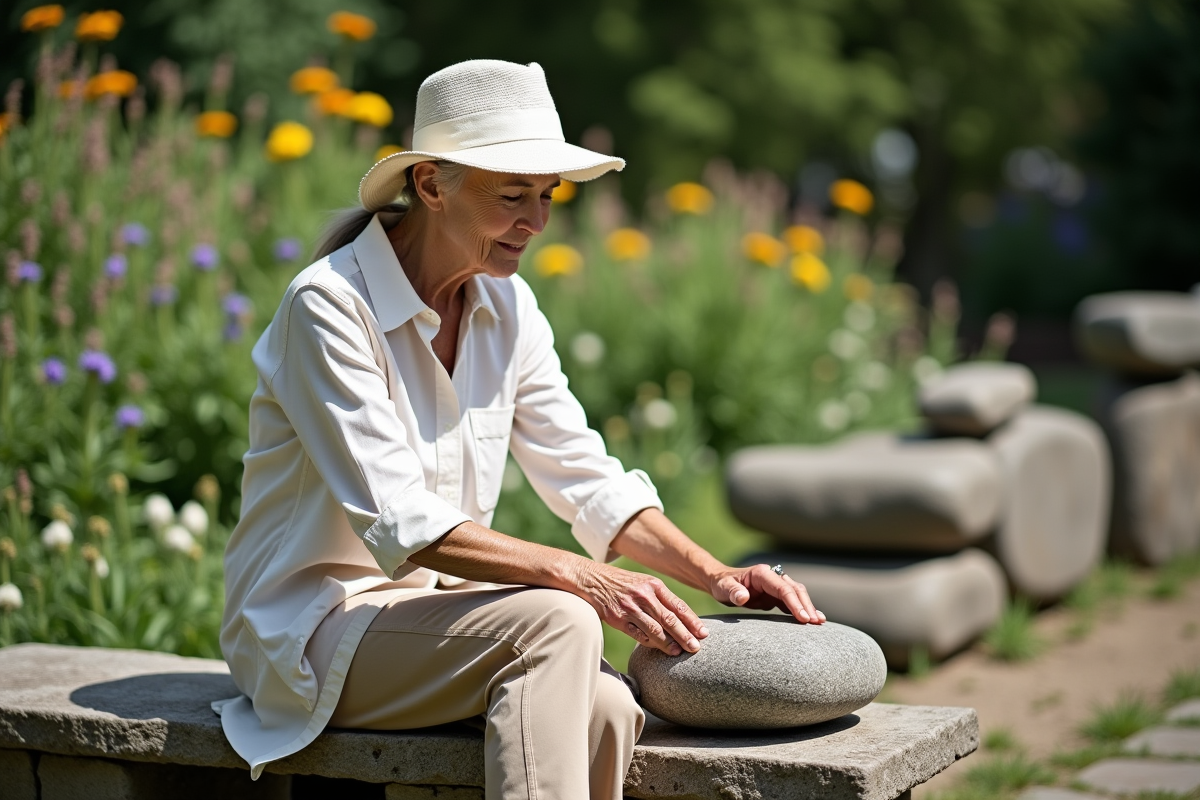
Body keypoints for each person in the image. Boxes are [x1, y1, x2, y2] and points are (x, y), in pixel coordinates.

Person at [214, 59, 824, 800]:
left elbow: (585, 477)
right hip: (306, 634)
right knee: (561, 623)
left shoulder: (509, 309)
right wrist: (581, 576)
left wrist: (718, 575)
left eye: (546, 196)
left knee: (606, 705)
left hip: (423, 624)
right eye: (512, 196)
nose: (535, 222)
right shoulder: (329, 306)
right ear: (433, 186)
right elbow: (402, 521)